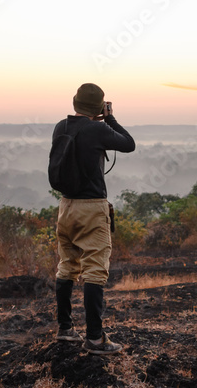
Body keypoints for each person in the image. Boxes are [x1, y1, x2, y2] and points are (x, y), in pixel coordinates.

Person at [50, 83, 135, 354]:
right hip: (91, 208)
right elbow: (128, 144)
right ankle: (95, 339)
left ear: (75, 103)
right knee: (95, 271)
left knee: (67, 266)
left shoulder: (60, 127)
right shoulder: (98, 129)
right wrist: (109, 117)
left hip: (65, 207)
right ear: (99, 107)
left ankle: (65, 329)